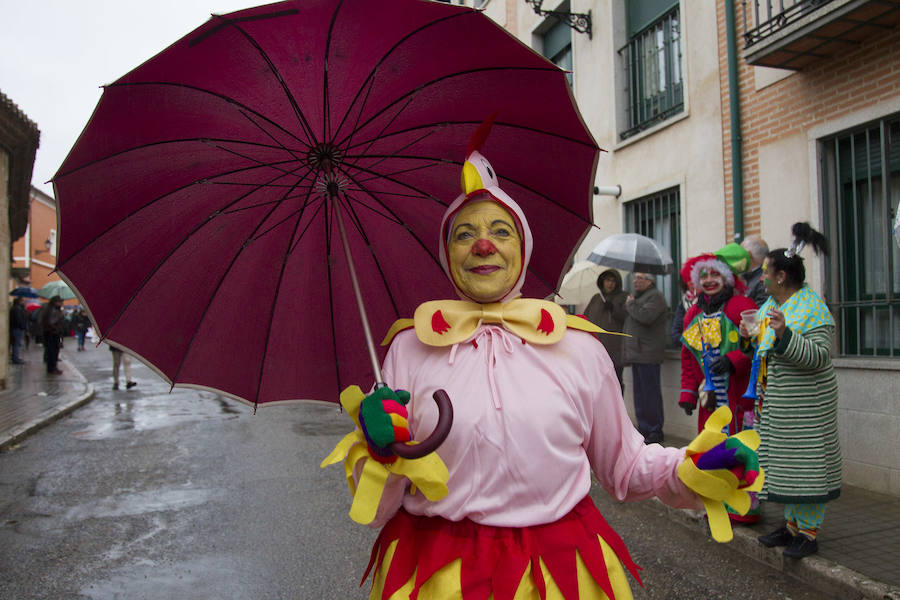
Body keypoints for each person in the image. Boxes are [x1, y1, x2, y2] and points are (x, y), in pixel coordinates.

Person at [324, 129, 763, 599]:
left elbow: (625, 464)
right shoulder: (409, 348)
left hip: (558, 575)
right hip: (436, 576)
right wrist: (380, 452)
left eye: (500, 231)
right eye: (465, 234)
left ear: (524, 247)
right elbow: (374, 511)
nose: (483, 246)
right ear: (446, 253)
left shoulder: (577, 347)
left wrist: (689, 468)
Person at [741, 223, 841, 560]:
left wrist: (785, 336)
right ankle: (791, 527)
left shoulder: (813, 309)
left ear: (782, 276)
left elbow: (818, 357)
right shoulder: (772, 305)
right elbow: (766, 348)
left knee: (807, 471)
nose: (762, 276)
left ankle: (808, 534)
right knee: (785, 470)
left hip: (806, 412)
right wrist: (748, 334)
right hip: (779, 409)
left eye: (767, 271)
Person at [677, 245, 759, 524]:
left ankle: (744, 503)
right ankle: (716, 497)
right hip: (710, 399)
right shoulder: (692, 316)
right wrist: (688, 392)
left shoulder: (743, 307)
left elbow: (758, 346)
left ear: (727, 279)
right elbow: (688, 358)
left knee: (741, 448)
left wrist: (733, 360)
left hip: (738, 395)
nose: (710, 280)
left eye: (716, 275)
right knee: (712, 446)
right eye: (705, 276)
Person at [622, 272, 668, 444]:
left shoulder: (655, 297)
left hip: (648, 354)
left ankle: (655, 430)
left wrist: (631, 304)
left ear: (650, 281)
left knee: (650, 395)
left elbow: (645, 317)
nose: (635, 281)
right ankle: (644, 429)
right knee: (640, 395)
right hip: (638, 353)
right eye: (634, 278)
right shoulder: (639, 297)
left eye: (640, 278)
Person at [583, 269, 627, 390]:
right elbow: (586, 318)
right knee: (597, 383)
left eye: (613, 281)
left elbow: (627, 317)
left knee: (616, 382)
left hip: (615, 349)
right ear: (602, 282)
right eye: (607, 280)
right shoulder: (596, 298)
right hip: (596, 348)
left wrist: (613, 309)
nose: (610, 284)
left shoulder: (623, 297)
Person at [741, 235, 770, 307]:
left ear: (748, 255)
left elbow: (759, 311)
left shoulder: (764, 280)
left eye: (740, 252)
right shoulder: (743, 276)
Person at [40, 295, 65, 375]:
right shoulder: (53, 310)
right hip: (52, 334)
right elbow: (51, 322)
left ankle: (53, 368)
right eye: (60, 302)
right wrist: (56, 329)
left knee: (53, 352)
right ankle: (52, 368)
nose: (62, 303)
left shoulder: (52, 309)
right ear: (56, 302)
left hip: (52, 333)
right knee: (52, 352)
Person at [9, 297, 28, 364]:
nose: (24, 302)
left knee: (16, 343)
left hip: (17, 328)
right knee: (16, 344)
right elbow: (18, 319)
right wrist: (22, 326)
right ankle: (15, 358)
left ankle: (15, 357)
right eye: (22, 301)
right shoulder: (17, 309)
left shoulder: (17, 308)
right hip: (17, 329)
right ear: (19, 302)